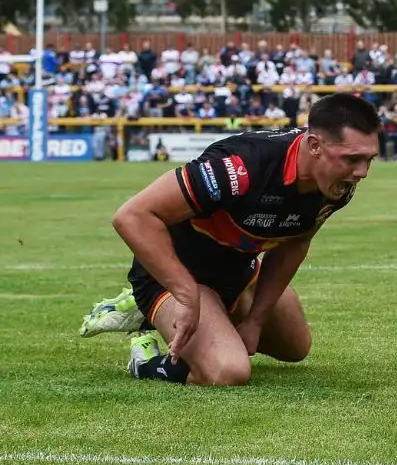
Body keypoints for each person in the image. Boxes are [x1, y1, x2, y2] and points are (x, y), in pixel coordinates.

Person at [79, 93, 381, 384]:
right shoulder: (242, 165)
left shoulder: (337, 183)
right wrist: (185, 293)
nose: (362, 172)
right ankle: (145, 354)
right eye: (352, 159)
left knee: (295, 347)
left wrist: (255, 321)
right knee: (229, 372)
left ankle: (214, 324)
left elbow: (297, 242)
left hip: (237, 273)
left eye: (369, 159)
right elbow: (132, 216)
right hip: (178, 278)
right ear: (314, 145)